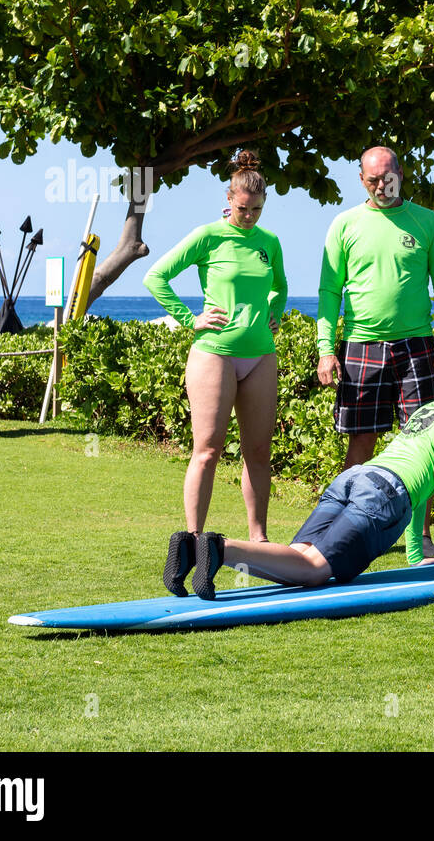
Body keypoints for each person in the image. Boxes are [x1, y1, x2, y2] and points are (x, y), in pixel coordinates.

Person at [165, 364, 434, 600]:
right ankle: (219, 547)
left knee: (295, 563)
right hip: (384, 497)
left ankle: (191, 546)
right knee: (312, 571)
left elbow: (423, 485)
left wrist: (414, 556)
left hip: (355, 478)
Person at [144, 151, 287, 592]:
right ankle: (190, 544)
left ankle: (258, 539)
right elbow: (156, 276)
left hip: (260, 354)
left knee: (258, 453)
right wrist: (190, 319)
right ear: (229, 198)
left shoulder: (269, 241)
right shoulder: (208, 236)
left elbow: (280, 287)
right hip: (214, 354)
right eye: (243, 208)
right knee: (207, 450)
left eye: (257, 209)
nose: (249, 216)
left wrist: (273, 314)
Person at [316, 147, 434, 561]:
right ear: (362, 180)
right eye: (373, 179)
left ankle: (422, 538)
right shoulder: (344, 224)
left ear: (401, 174)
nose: (382, 185)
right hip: (361, 346)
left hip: (416, 348)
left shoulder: (426, 222)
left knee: (425, 444)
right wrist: (326, 350)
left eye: (388, 177)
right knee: (360, 444)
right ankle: (337, 537)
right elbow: (329, 293)